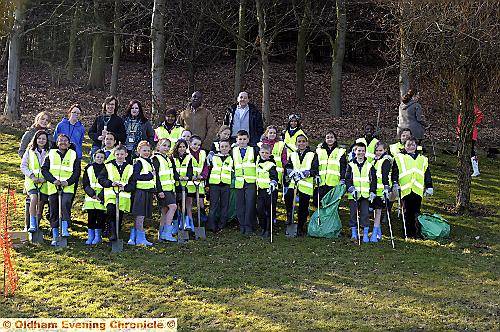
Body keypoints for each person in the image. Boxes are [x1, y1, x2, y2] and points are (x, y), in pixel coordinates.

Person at [41, 134, 81, 246]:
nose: (63, 142)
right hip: (53, 187)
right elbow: (44, 170)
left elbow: (77, 172)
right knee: (54, 210)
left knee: (65, 203)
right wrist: (53, 180)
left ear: (69, 143)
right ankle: (55, 235)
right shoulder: (51, 154)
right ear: (57, 143)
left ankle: (64, 228)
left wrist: (67, 182)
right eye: (60, 141)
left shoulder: (73, 155)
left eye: (65, 141)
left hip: (68, 186)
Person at [392, 137, 433, 238]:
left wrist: (429, 186)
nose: (411, 147)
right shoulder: (399, 157)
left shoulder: (423, 159)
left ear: (416, 146)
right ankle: (406, 233)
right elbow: (395, 172)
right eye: (408, 145)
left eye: (413, 145)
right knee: (406, 212)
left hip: (417, 189)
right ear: (404, 146)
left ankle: (416, 233)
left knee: (416, 212)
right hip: (405, 189)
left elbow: (427, 174)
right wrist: (395, 183)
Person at [98, 144, 135, 244]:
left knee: (119, 216)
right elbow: (101, 179)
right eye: (117, 154)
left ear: (126, 154)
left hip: (123, 197)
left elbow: (133, 183)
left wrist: (125, 187)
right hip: (111, 195)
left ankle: (116, 233)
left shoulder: (130, 167)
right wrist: (110, 183)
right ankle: (112, 233)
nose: (119, 156)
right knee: (111, 212)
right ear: (114, 154)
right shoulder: (108, 165)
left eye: (122, 154)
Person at [284, 134, 318, 236]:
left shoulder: (312, 155)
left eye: (303, 141)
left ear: (307, 143)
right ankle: (290, 215)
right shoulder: (293, 154)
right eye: (299, 142)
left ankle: (300, 226)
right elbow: (288, 166)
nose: (301, 143)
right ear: (296, 144)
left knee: (303, 206)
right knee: (288, 197)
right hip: (294, 182)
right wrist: (291, 173)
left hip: (306, 184)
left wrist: (305, 174)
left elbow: (315, 169)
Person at [345, 142, 377, 243]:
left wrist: (372, 192)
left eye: (363, 151)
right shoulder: (350, 164)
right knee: (353, 214)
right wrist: (351, 188)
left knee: (365, 214)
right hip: (354, 195)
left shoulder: (369, 165)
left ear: (365, 152)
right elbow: (347, 179)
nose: (361, 152)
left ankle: (365, 234)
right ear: (355, 151)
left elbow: (373, 180)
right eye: (359, 150)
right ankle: (354, 234)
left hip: (365, 195)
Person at [20, 130, 50, 233]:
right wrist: (32, 176)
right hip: (32, 181)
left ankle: (37, 222)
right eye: (39, 138)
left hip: (44, 182)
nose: (41, 140)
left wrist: (45, 179)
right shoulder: (30, 151)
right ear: (36, 139)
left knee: (41, 203)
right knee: (34, 198)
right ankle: (32, 223)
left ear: (47, 140)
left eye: (44, 139)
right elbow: (23, 166)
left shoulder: (50, 152)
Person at [129, 141, 156, 246]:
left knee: (141, 215)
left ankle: (134, 237)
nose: (146, 152)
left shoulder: (149, 162)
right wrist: (149, 176)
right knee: (140, 215)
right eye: (144, 150)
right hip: (140, 191)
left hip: (147, 191)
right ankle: (140, 238)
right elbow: (135, 177)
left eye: (148, 151)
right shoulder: (138, 162)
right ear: (138, 151)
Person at [232, 130, 258, 235]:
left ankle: (249, 226)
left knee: (250, 204)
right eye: (240, 139)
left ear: (248, 139)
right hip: (239, 182)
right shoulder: (233, 151)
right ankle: (241, 224)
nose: (242, 141)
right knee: (240, 205)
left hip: (251, 181)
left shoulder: (254, 150)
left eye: (244, 139)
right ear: (236, 140)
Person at [152, 138, 177, 242]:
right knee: (173, 207)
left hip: (170, 188)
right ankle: (167, 233)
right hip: (163, 190)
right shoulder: (156, 158)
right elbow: (156, 176)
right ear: (158, 146)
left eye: (168, 146)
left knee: (165, 211)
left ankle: (161, 234)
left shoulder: (168, 159)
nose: (166, 148)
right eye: (164, 145)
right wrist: (159, 190)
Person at [207, 139, 233, 233]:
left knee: (224, 205)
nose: (224, 148)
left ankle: (222, 225)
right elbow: (208, 170)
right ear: (219, 147)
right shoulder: (214, 157)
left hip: (226, 184)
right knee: (213, 206)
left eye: (226, 146)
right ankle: (211, 225)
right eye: (222, 146)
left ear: (230, 148)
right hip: (215, 184)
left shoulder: (231, 158)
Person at [82, 149, 107, 245]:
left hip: (101, 197)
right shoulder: (89, 168)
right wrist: (92, 194)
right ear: (94, 157)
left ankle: (98, 236)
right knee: (91, 217)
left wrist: (101, 195)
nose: (99, 159)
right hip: (90, 198)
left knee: (100, 217)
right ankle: (90, 236)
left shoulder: (106, 168)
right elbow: (85, 183)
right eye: (98, 157)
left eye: (102, 157)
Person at [316, 131, 347, 201]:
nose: (330, 139)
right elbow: (315, 164)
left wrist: (342, 178)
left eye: (331, 137)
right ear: (325, 139)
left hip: (334, 182)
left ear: (335, 139)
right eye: (328, 138)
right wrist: (316, 175)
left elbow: (343, 167)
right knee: (318, 202)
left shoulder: (340, 151)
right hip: (321, 182)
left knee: (331, 202)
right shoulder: (319, 151)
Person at [255, 144, 278, 238]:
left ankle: (269, 229)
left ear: (270, 154)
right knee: (260, 209)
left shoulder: (271, 164)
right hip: (260, 190)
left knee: (270, 210)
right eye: (262, 152)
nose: (264, 154)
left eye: (267, 153)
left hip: (270, 191)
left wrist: (273, 183)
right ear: (259, 153)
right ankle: (263, 227)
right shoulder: (258, 161)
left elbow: (274, 176)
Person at [371, 142, 392, 242]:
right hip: (375, 190)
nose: (378, 152)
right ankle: (378, 233)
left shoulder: (386, 160)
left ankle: (375, 233)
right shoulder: (374, 161)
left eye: (381, 150)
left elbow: (385, 176)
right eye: (377, 150)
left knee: (378, 211)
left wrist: (386, 188)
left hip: (382, 190)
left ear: (385, 150)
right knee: (375, 211)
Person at [171, 139, 194, 231]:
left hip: (184, 185)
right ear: (176, 147)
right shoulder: (172, 157)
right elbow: (172, 170)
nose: (182, 148)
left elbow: (190, 169)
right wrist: (178, 177)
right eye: (180, 147)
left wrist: (188, 177)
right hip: (175, 185)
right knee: (175, 206)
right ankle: (175, 225)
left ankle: (185, 223)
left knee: (183, 205)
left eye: (184, 147)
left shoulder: (189, 157)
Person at [186, 136, 208, 225]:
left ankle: (202, 221)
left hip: (200, 182)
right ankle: (189, 222)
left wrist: (203, 175)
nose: (196, 146)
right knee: (189, 203)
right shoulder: (186, 154)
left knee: (201, 202)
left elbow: (205, 166)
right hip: (189, 183)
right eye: (194, 144)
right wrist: (191, 176)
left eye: (199, 145)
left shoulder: (202, 153)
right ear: (190, 144)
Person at [457, 104, 484, 177]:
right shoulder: (463, 108)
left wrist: (473, 122)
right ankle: (467, 169)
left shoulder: (471, 107)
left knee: (471, 151)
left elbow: (480, 115)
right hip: (464, 133)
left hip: (470, 133)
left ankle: (476, 170)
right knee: (465, 151)